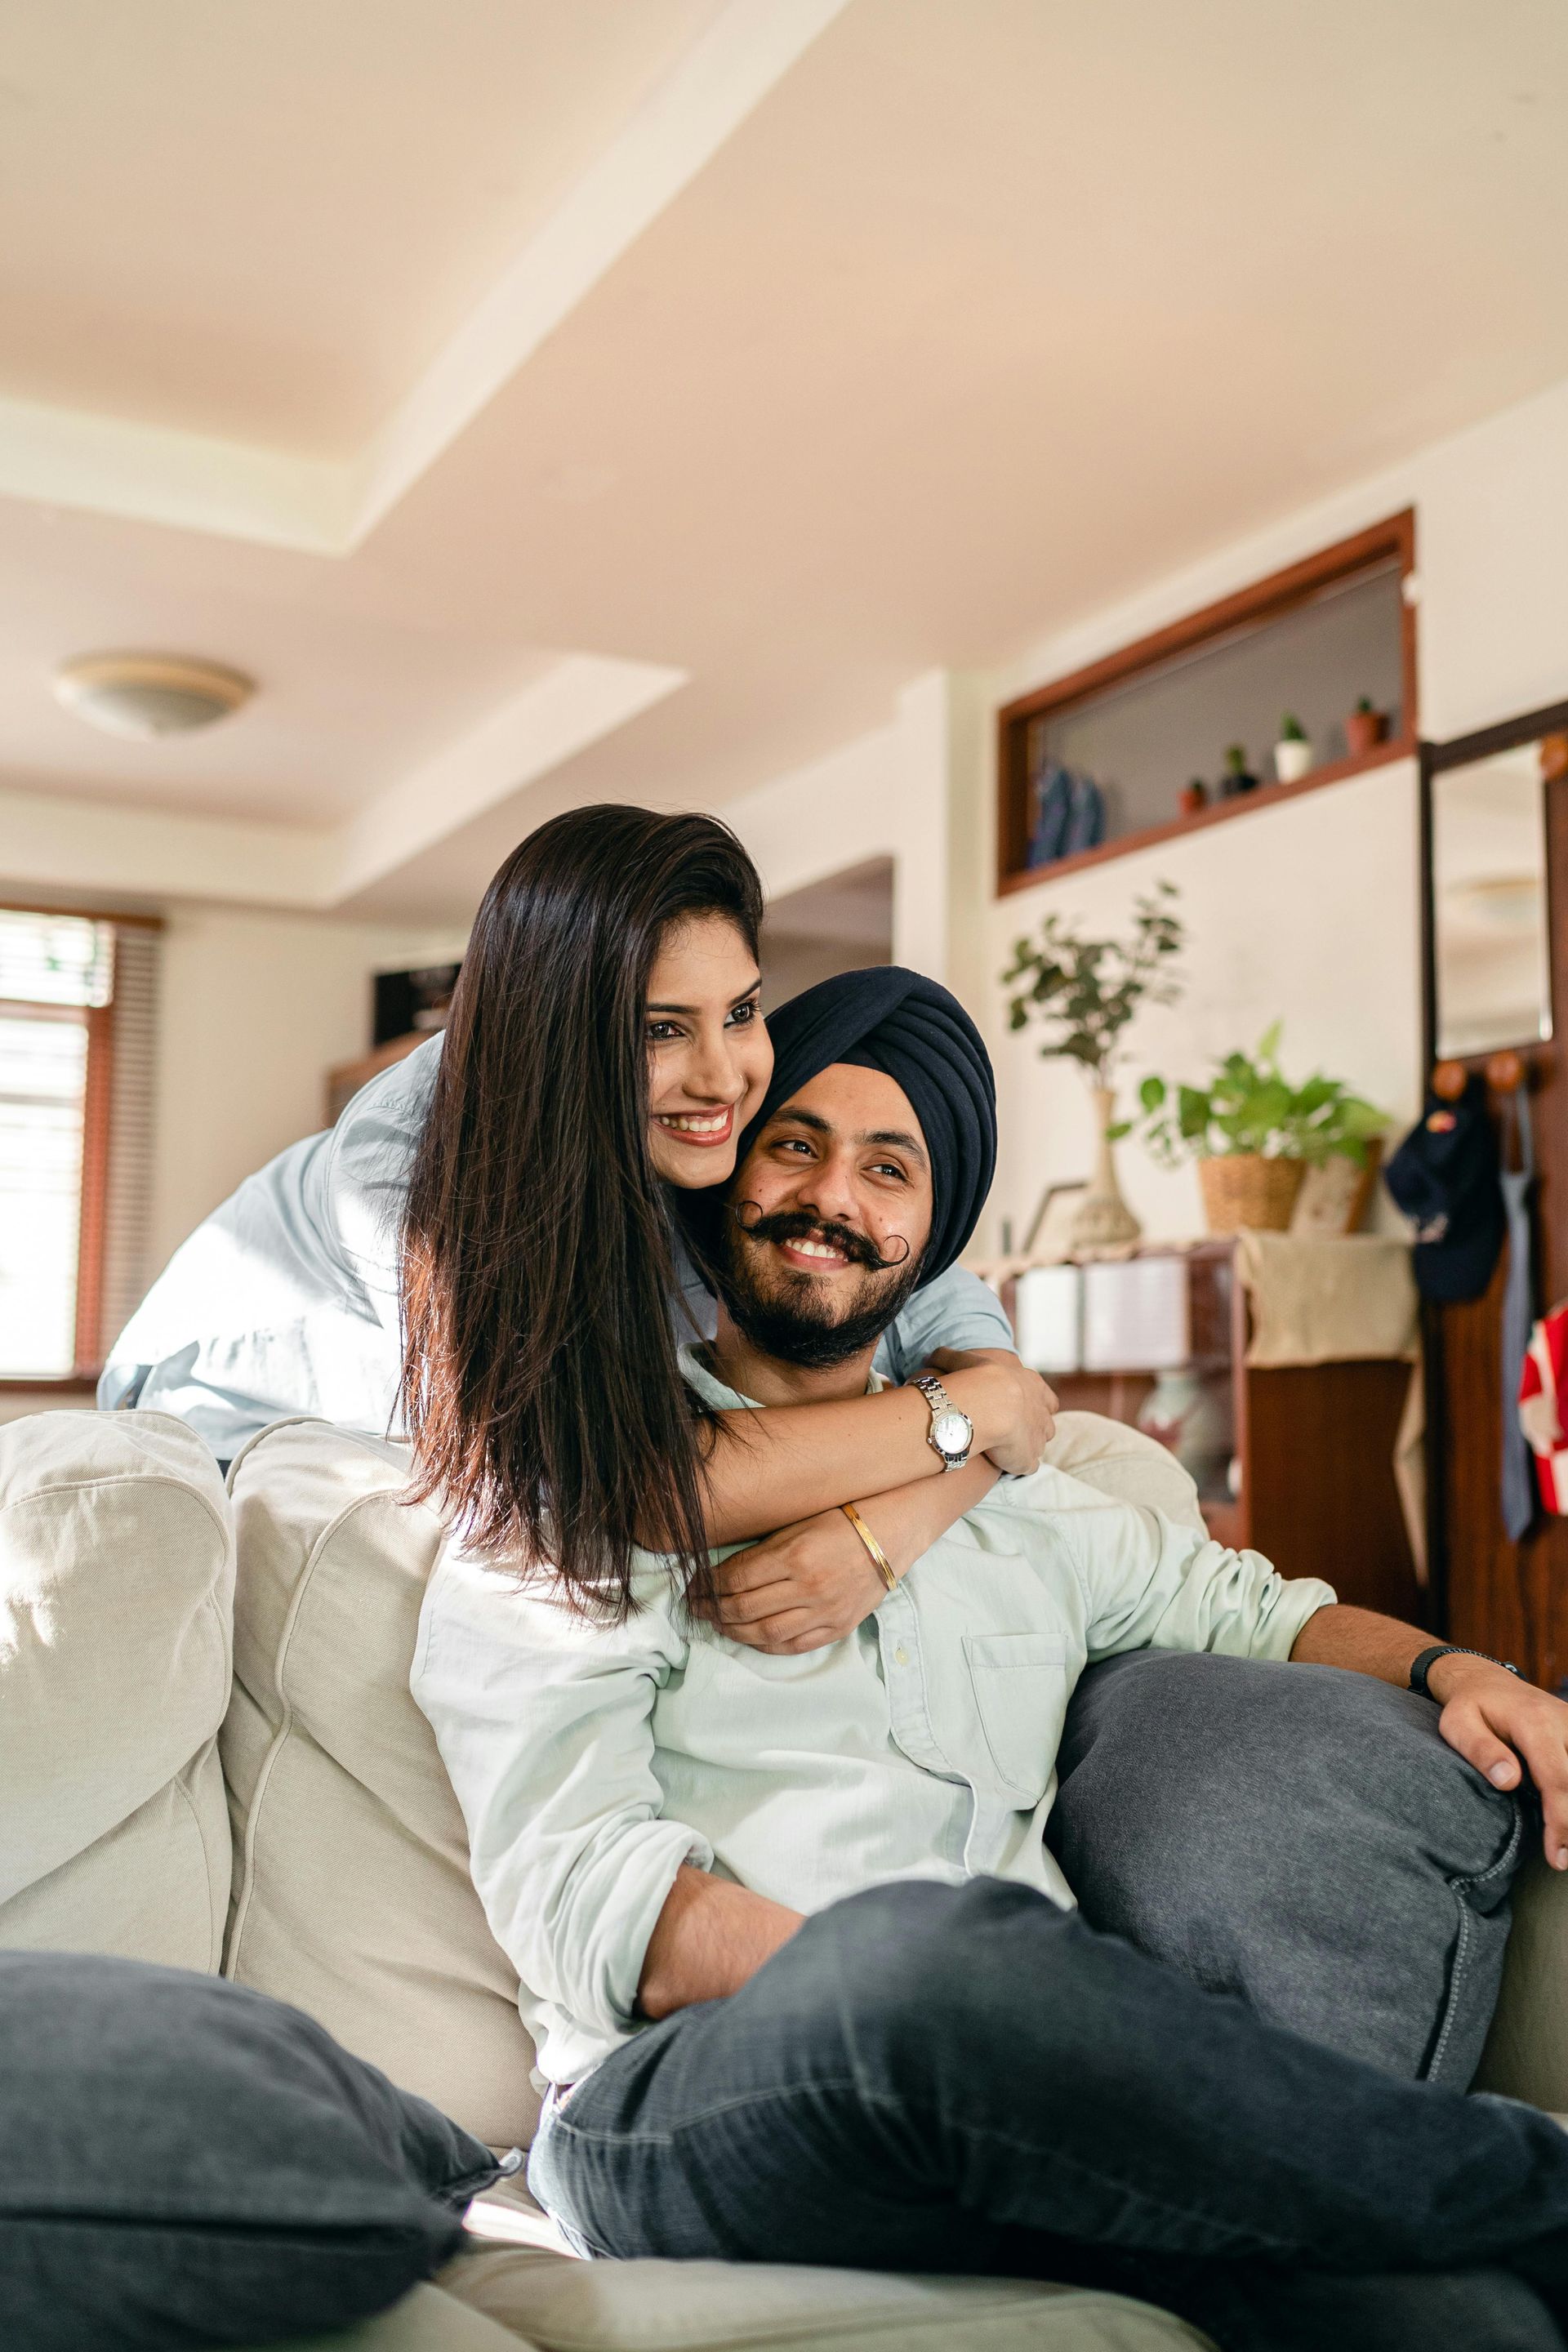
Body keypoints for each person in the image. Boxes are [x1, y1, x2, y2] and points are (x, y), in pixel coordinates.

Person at [414, 967, 1568, 2352]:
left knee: (1459, 2319)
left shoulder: (1027, 1509)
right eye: (797, 1142)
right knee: (930, 1955)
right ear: (725, 1175)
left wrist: (1462, 1674)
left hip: (1015, 2101)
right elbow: (583, 1892)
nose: (833, 1195)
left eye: (888, 1167)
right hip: (677, 2106)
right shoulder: (581, 1493)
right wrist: (952, 2003)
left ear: (934, 1228)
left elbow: (1265, 1611)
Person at [99, 806, 1055, 1615]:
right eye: (662, 1030)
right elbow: (621, 1488)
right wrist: (965, 1419)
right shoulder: (408, 1173)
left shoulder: (711, 1118)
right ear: (561, 1033)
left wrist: (897, 1523)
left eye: (740, 1011)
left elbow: (965, 1345)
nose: (725, 1077)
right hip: (219, 1432)